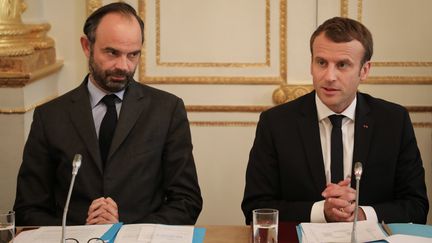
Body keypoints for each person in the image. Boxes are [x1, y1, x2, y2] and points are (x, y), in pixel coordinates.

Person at [14, 2, 202, 226]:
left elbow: (186, 202)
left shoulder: (167, 110)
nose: (123, 66)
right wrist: (81, 230)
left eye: (133, 55)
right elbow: (28, 209)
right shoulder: (50, 117)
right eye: (112, 52)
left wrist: (124, 230)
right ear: (87, 46)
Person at [241, 17, 428, 224]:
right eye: (321, 62)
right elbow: (255, 209)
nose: (329, 76)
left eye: (342, 65)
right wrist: (322, 211)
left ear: (364, 70)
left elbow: (417, 206)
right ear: (311, 65)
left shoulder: (393, 121)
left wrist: (361, 214)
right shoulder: (275, 123)